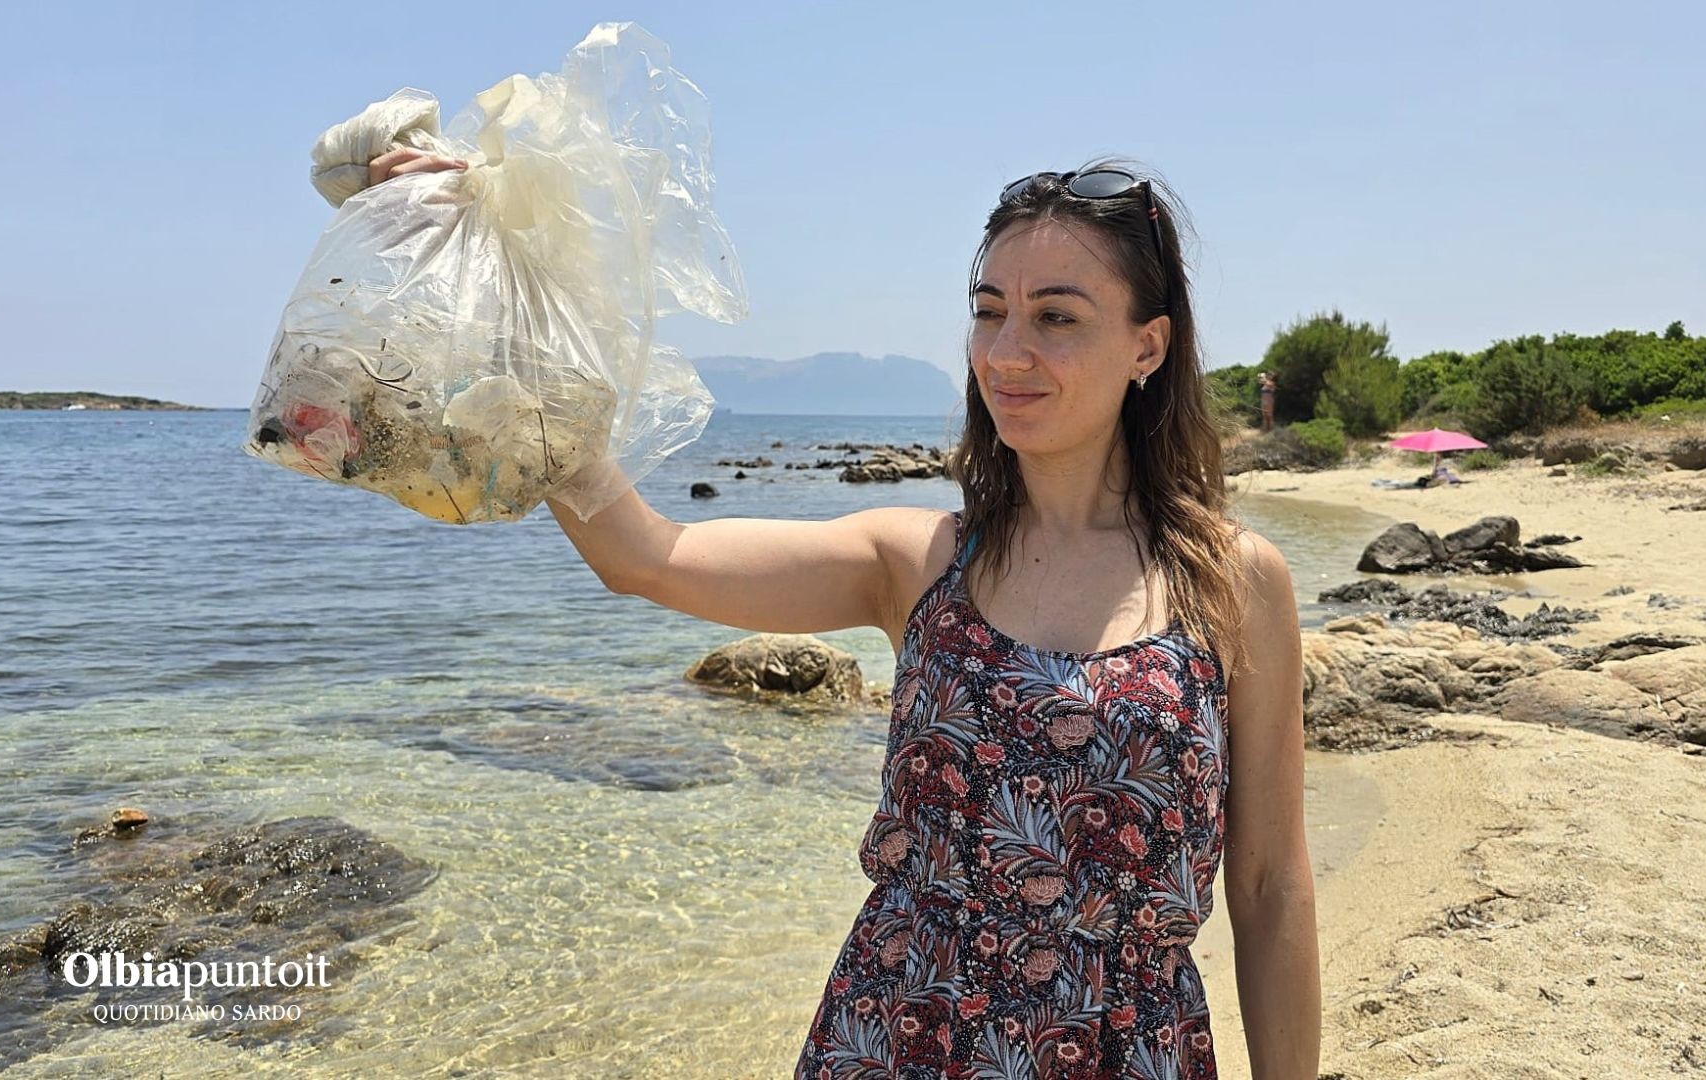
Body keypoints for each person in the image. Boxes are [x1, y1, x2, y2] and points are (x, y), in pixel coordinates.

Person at [367, 148, 1320, 1078]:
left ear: (1147, 345)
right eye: (988, 314)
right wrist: (497, 282)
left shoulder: (1232, 582)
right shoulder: (917, 565)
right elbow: (645, 557)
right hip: (898, 1031)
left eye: (1055, 317)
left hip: (1124, 1047)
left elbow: (1272, 889)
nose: (1007, 353)